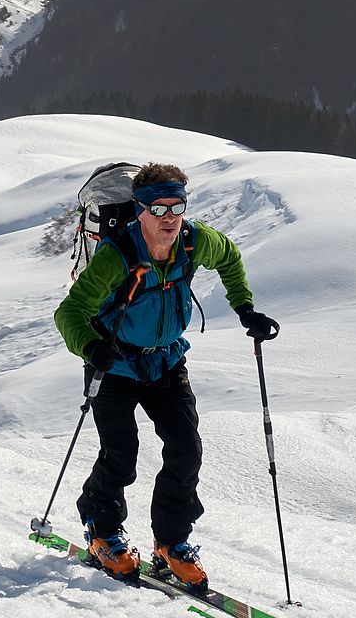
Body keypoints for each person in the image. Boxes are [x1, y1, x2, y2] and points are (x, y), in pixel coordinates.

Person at [53, 162, 278, 586]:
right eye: (158, 209)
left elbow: (229, 256)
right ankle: (103, 531)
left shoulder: (193, 241)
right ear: (139, 210)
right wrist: (91, 346)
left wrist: (244, 308)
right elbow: (69, 312)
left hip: (166, 361)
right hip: (115, 364)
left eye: (177, 206)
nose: (169, 217)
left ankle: (170, 543)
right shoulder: (116, 255)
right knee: (121, 455)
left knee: (185, 449)